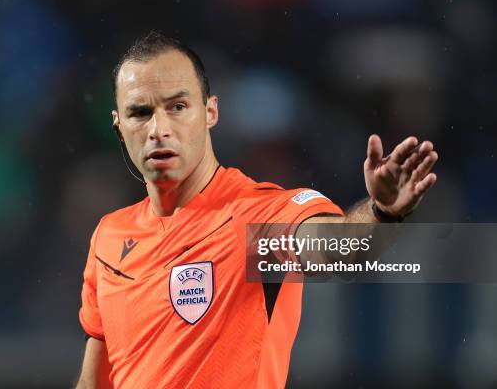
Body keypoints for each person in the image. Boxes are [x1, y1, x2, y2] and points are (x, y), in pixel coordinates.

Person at [75, 32, 438, 389]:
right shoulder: (109, 237)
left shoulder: (257, 218)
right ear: (118, 126)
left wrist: (382, 212)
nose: (159, 129)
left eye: (178, 107)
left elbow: (333, 248)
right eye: (140, 112)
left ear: (210, 112)